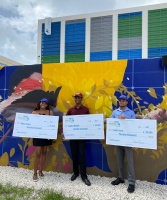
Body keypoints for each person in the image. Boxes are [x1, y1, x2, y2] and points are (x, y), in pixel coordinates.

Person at [61, 92, 91, 186]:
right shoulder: (70, 110)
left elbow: (89, 122)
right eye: (76, 97)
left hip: (82, 136)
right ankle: (75, 173)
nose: (77, 99)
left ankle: (84, 176)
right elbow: (66, 122)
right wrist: (62, 131)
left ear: (81, 99)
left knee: (82, 154)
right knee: (74, 154)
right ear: (74, 99)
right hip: (73, 136)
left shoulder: (86, 110)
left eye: (79, 97)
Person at [110, 95, 136, 193]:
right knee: (119, 160)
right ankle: (121, 178)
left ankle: (132, 182)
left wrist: (134, 142)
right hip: (118, 140)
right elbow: (111, 124)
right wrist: (117, 120)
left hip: (128, 141)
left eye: (123, 100)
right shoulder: (114, 112)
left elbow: (134, 127)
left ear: (126, 102)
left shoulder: (131, 113)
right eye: (120, 100)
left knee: (130, 162)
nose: (121, 102)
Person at [32, 98, 53, 182]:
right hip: (37, 136)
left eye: (46, 103)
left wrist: (51, 134)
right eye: (42, 102)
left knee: (44, 152)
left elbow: (52, 124)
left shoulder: (50, 113)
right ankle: (35, 173)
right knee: (38, 153)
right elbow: (30, 124)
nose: (44, 104)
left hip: (46, 136)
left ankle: (40, 170)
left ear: (47, 105)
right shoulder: (34, 112)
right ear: (40, 103)